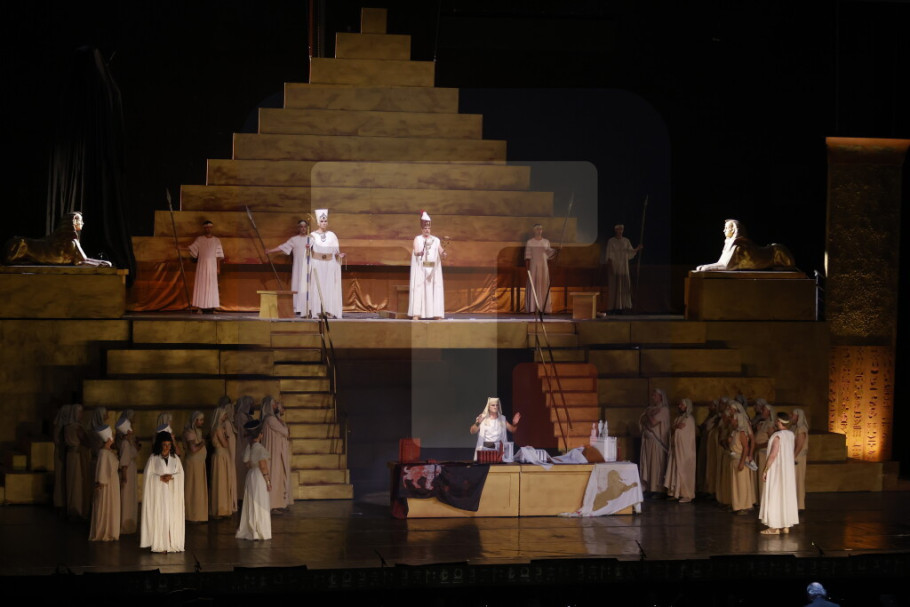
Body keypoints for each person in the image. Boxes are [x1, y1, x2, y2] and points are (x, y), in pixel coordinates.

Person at [140, 431, 185, 553]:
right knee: (161, 517)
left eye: (169, 445)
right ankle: (160, 543)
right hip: (159, 495)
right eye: (164, 444)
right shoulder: (153, 459)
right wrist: (159, 478)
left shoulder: (175, 459)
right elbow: (148, 476)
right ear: (160, 444)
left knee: (171, 517)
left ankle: (171, 542)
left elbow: (181, 474)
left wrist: (172, 477)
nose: (167, 447)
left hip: (172, 495)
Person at [695, 219, 795, 272]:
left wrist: (707, 268)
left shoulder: (739, 246)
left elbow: (726, 266)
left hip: (772, 254)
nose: (724, 230)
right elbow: (720, 263)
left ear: (733, 230)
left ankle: (787, 266)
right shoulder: (730, 244)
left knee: (777, 248)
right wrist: (707, 266)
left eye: (726, 228)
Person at [759, 412, 799, 535]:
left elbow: (773, 454)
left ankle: (774, 527)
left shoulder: (777, 436)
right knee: (784, 495)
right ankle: (785, 525)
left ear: (779, 422)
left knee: (775, 495)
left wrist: (765, 470)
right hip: (787, 472)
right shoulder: (791, 434)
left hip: (777, 471)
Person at [266, 219, 311, 317]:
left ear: (307, 228)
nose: (303, 228)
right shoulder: (294, 239)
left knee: (307, 285)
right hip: (297, 267)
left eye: (305, 227)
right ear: (298, 228)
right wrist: (270, 251)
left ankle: (307, 307)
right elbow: (283, 247)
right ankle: (297, 307)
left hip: (308, 266)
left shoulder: (311, 239)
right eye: (301, 227)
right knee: (297, 284)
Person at [236, 420, 272, 541]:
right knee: (260, 502)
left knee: (251, 502)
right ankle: (260, 530)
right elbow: (263, 466)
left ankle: (251, 529)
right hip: (258, 477)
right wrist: (268, 481)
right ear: (260, 434)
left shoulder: (249, 447)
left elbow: (246, 463)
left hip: (250, 475)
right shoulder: (259, 448)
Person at [408, 211, 446, 319]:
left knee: (434, 288)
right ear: (422, 229)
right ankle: (417, 313)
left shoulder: (436, 240)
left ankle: (436, 314)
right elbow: (416, 251)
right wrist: (419, 253)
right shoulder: (418, 239)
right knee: (419, 288)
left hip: (433, 270)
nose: (427, 230)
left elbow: (440, 250)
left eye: (429, 228)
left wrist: (443, 253)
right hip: (421, 269)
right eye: (425, 228)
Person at [308, 209, 344, 318]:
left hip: (329, 263)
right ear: (318, 223)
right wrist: (306, 248)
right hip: (317, 263)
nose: (324, 223)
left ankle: (328, 310)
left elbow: (335, 250)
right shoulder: (312, 235)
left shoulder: (332, 235)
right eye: (322, 221)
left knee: (329, 287)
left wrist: (339, 255)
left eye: (325, 221)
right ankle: (317, 311)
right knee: (317, 286)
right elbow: (307, 250)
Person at [89, 425, 120, 541]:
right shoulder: (103, 453)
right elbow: (102, 470)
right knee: (106, 504)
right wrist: (101, 483)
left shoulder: (107, 452)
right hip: (107, 484)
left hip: (112, 482)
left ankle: (110, 530)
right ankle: (104, 530)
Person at [261, 396, 292, 513]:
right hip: (273, 453)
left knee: (277, 476)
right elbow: (285, 431)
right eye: (274, 404)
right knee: (275, 476)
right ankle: (272, 504)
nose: (276, 406)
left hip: (275, 452)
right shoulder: (270, 419)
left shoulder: (271, 419)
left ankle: (276, 503)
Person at [604, 224, 642, 314]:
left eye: (622, 229)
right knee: (614, 286)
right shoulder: (611, 241)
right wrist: (611, 266)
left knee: (623, 286)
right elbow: (609, 255)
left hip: (623, 266)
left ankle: (622, 307)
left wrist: (637, 249)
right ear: (615, 230)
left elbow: (630, 252)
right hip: (614, 266)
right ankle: (613, 307)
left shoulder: (626, 241)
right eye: (619, 229)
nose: (620, 231)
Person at [188, 220, 224, 313]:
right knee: (201, 284)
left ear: (212, 228)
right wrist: (181, 248)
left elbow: (218, 256)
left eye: (209, 227)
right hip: (202, 265)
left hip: (212, 265)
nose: (208, 229)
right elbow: (192, 248)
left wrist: (218, 267)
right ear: (204, 228)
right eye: (206, 227)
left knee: (212, 285)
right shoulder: (200, 239)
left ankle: (212, 307)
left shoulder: (216, 240)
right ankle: (200, 307)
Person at [639, 389, 670, 496]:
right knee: (648, 464)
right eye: (652, 395)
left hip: (657, 442)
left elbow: (653, 422)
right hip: (648, 442)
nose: (653, 397)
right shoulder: (651, 409)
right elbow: (642, 420)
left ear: (661, 397)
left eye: (655, 395)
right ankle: (649, 488)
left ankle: (657, 489)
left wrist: (648, 415)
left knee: (656, 465)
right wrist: (648, 414)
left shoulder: (664, 410)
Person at [664, 398, 696, 503]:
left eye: (681, 405)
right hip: (676, 450)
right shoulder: (678, 418)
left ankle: (687, 494)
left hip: (685, 451)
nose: (679, 406)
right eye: (679, 404)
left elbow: (683, 433)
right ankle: (676, 493)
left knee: (684, 471)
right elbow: (673, 429)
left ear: (686, 406)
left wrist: (676, 428)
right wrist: (676, 428)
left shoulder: (689, 419)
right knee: (675, 470)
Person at [64, 404, 92, 521]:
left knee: (71, 481)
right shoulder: (77, 427)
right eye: (80, 413)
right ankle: (77, 509)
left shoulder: (67, 427)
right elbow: (86, 441)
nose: (81, 415)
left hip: (70, 456)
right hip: (77, 457)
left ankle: (72, 507)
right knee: (77, 482)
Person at [209, 403, 236, 519]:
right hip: (221, 456)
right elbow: (225, 444)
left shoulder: (215, 428)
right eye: (224, 415)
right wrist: (227, 436)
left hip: (219, 456)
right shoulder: (219, 428)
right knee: (221, 483)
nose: (226, 417)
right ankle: (220, 509)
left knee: (220, 482)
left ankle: (221, 509)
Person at [728, 402, 756, 514]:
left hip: (740, 459)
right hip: (734, 460)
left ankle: (744, 506)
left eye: (733, 419)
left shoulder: (742, 432)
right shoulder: (735, 432)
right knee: (736, 485)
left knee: (742, 484)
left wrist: (742, 461)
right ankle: (737, 505)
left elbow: (746, 447)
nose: (731, 420)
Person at [524, 224, 557, 313]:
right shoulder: (530, 242)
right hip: (533, 266)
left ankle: (544, 308)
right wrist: (527, 269)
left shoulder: (546, 241)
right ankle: (532, 308)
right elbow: (527, 257)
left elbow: (549, 253)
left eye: (540, 229)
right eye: (537, 229)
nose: (539, 230)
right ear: (534, 230)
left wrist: (556, 251)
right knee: (534, 284)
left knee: (543, 284)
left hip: (543, 266)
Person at [115, 411, 139, 535]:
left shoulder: (128, 442)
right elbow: (124, 461)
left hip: (131, 470)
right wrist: (124, 476)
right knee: (126, 497)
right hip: (128, 472)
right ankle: (125, 524)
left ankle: (130, 524)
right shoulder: (125, 443)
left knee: (130, 497)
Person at [183, 411, 208, 522]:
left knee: (198, 490)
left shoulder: (196, 432)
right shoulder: (189, 432)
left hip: (198, 464)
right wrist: (203, 443)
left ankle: (198, 514)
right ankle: (192, 515)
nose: (202, 422)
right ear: (195, 420)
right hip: (193, 465)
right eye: (200, 420)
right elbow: (193, 449)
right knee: (193, 489)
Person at [234, 395, 255, 497]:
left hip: (249, 446)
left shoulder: (248, 417)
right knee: (241, 471)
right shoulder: (240, 416)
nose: (253, 407)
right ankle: (240, 495)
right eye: (251, 405)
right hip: (242, 446)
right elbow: (244, 432)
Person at [52, 404, 72, 511]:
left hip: (64, 452)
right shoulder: (59, 426)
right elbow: (57, 440)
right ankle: (59, 502)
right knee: (60, 477)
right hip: (60, 452)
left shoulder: (66, 426)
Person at [792, 408, 809, 510]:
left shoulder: (801, 428)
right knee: (794, 480)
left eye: (793, 415)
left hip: (798, 457)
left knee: (799, 479)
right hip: (795, 455)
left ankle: (800, 505)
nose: (791, 417)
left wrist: (793, 456)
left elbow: (800, 445)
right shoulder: (795, 427)